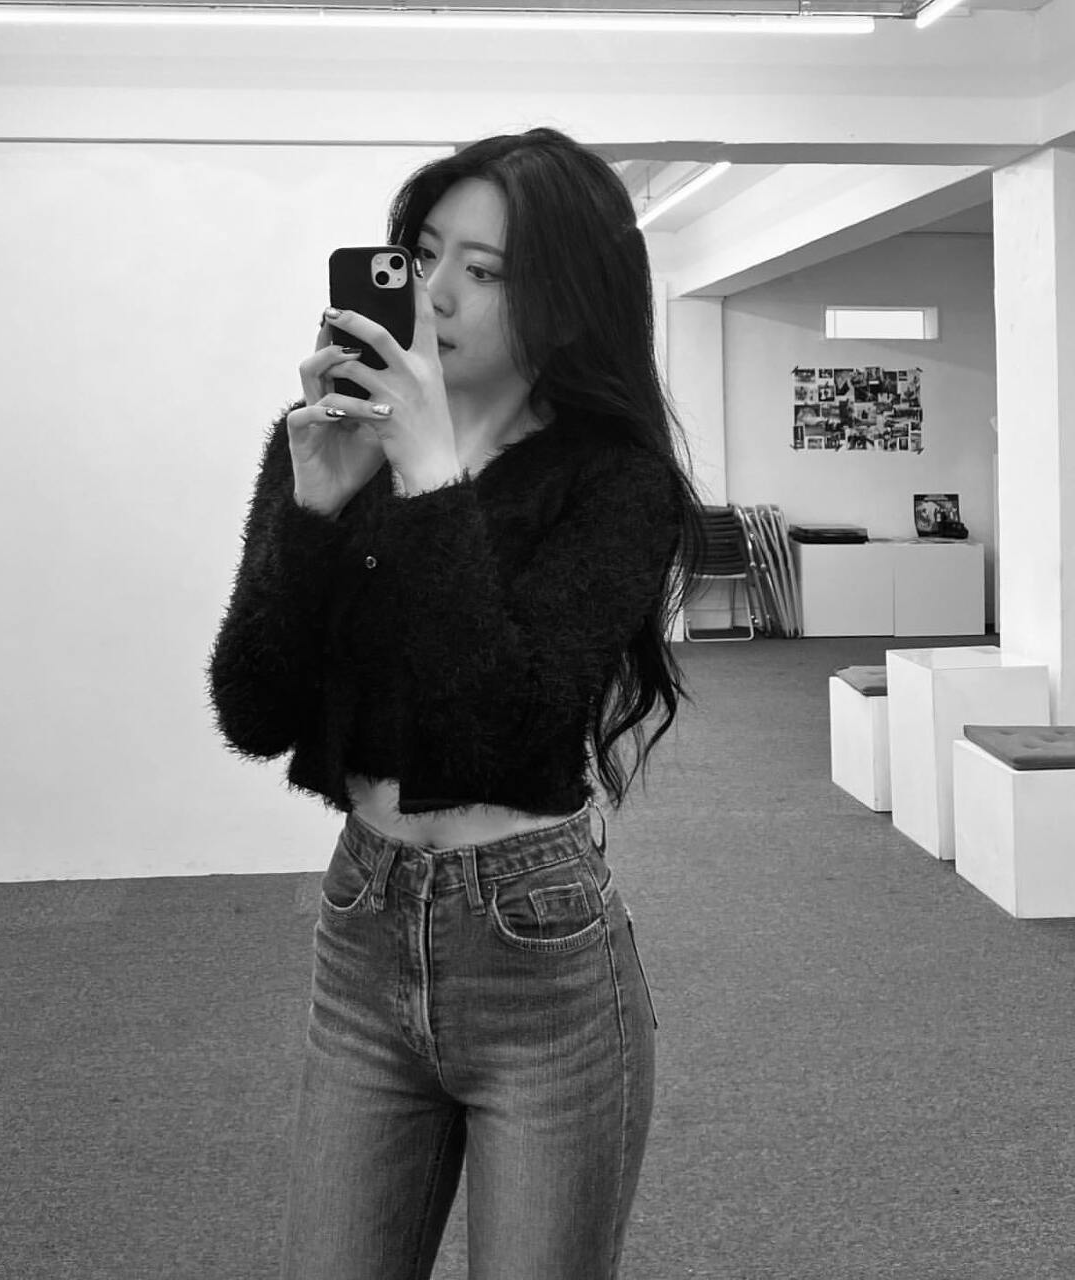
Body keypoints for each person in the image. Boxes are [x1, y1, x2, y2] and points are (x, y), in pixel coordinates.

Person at [207, 126, 707, 1280]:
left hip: (538, 951)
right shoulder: (329, 445)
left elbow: (505, 728)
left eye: (481, 270)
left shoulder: (617, 486)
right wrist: (312, 516)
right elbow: (251, 707)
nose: (432, 293)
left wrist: (432, 478)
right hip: (362, 925)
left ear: (565, 304)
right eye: (420, 253)